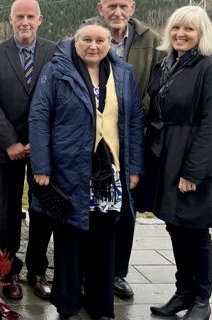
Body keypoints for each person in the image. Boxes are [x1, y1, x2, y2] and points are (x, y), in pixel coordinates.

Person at [29, 19, 144, 320]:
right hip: (70, 168)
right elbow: (39, 118)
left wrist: (134, 168)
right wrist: (41, 166)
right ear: (75, 41)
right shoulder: (56, 71)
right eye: (87, 40)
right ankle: (67, 304)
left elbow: (133, 121)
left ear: (109, 44)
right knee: (70, 237)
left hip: (112, 170)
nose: (93, 46)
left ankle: (100, 305)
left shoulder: (123, 73)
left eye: (100, 41)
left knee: (105, 238)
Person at [145, 6, 212, 320]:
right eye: (177, 28)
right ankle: (183, 293)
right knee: (175, 227)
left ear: (201, 34)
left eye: (189, 30)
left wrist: (193, 170)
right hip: (167, 156)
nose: (181, 34)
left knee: (195, 231)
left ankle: (202, 299)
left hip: (194, 159)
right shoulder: (165, 66)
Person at [87, 0, 162, 299]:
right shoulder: (88, 39)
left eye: (123, 6)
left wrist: (134, 108)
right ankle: (91, 272)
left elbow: (159, 88)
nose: (117, 12)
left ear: (133, 9)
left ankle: (118, 273)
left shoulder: (152, 41)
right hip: (93, 140)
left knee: (125, 210)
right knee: (92, 206)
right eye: (111, 6)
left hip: (132, 136)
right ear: (100, 9)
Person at [0, 0, 55, 300]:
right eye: (19, 17)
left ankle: (37, 270)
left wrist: (39, 142)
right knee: (9, 211)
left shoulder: (56, 52)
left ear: (40, 19)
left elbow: (59, 98)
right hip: (7, 148)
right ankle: (8, 270)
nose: (25, 22)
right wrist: (10, 141)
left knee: (42, 210)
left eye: (30, 16)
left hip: (44, 149)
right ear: (10, 20)